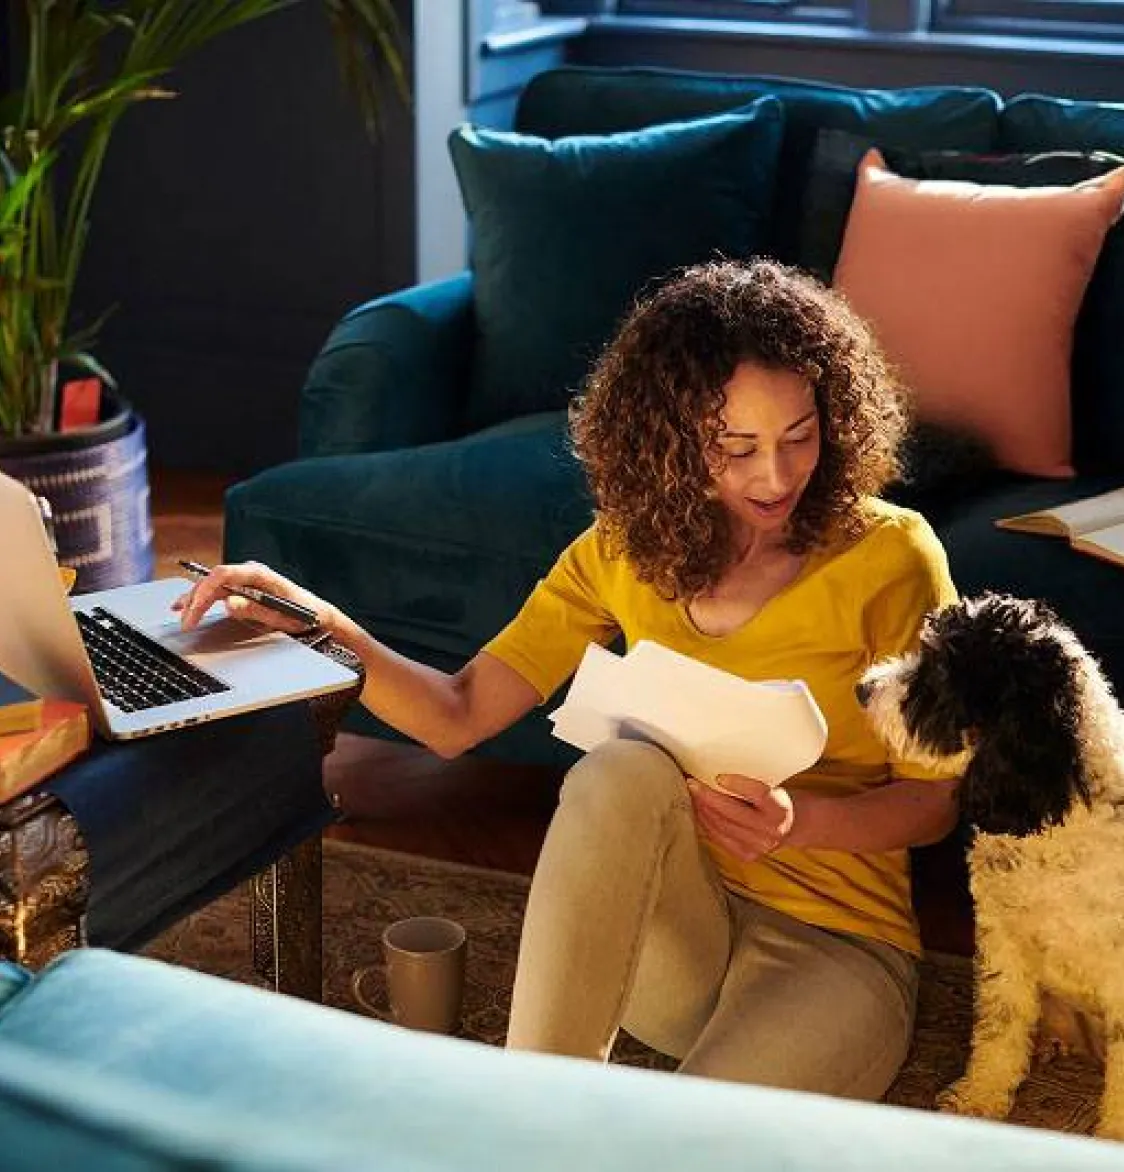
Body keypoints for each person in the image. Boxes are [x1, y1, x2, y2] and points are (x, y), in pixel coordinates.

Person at [175, 258, 961, 1099]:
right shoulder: (623, 551)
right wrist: (317, 624)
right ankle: (533, 1107)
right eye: (735, 448)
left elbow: (935, 804)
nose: (774, 476)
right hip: (670, 942)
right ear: (667, 437)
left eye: (799, 436)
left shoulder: (892, 559)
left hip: (837, 942)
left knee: (680, 1149)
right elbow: (457, 715)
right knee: (621, 768)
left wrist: (796, 824)